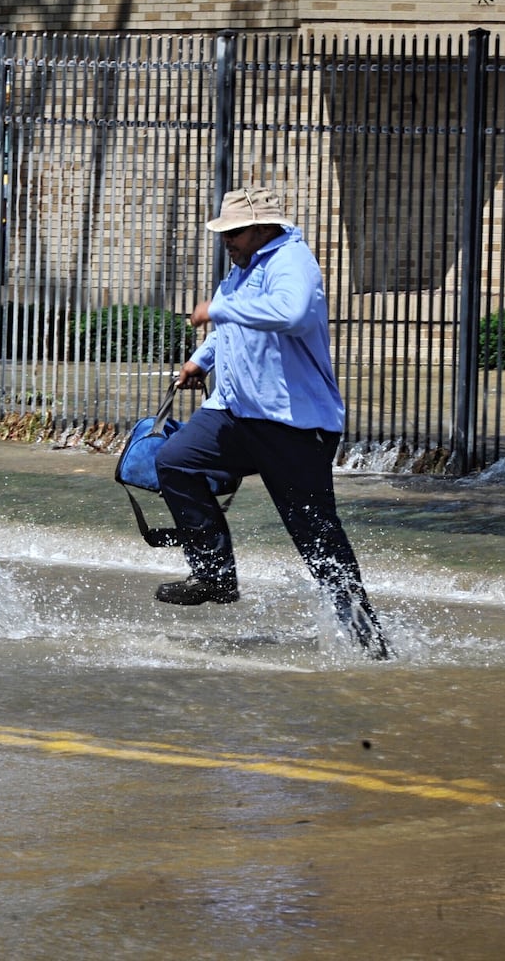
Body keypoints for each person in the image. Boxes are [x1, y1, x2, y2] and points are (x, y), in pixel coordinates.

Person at [152, 187, 389, 659]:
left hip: (292, 426)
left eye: (234, 233)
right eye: (224, 233)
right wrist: (201, 359)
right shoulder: (241, 270)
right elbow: (228, 330)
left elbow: (291, 313)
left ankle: (369, 642)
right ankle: (214, 576)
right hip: (236, 413)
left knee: (317, 539)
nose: (227, 242)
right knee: (174, 461)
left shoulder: (291, 262)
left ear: (262, 228)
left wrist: (217, 308)